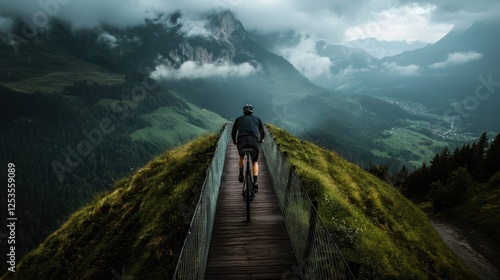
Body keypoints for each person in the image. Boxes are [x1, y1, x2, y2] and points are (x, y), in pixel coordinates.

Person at [231, 104, 265, 193]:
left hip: (241, 142)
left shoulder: (238, 119)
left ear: (243, 112)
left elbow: (233, 132)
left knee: (241, 157)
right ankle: (255, 182)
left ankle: (241, 174)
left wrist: (234, 141)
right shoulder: (257, 119)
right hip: (254, 142)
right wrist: (261, 140)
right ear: (252, 112)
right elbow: (262, 132)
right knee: (254, 162)